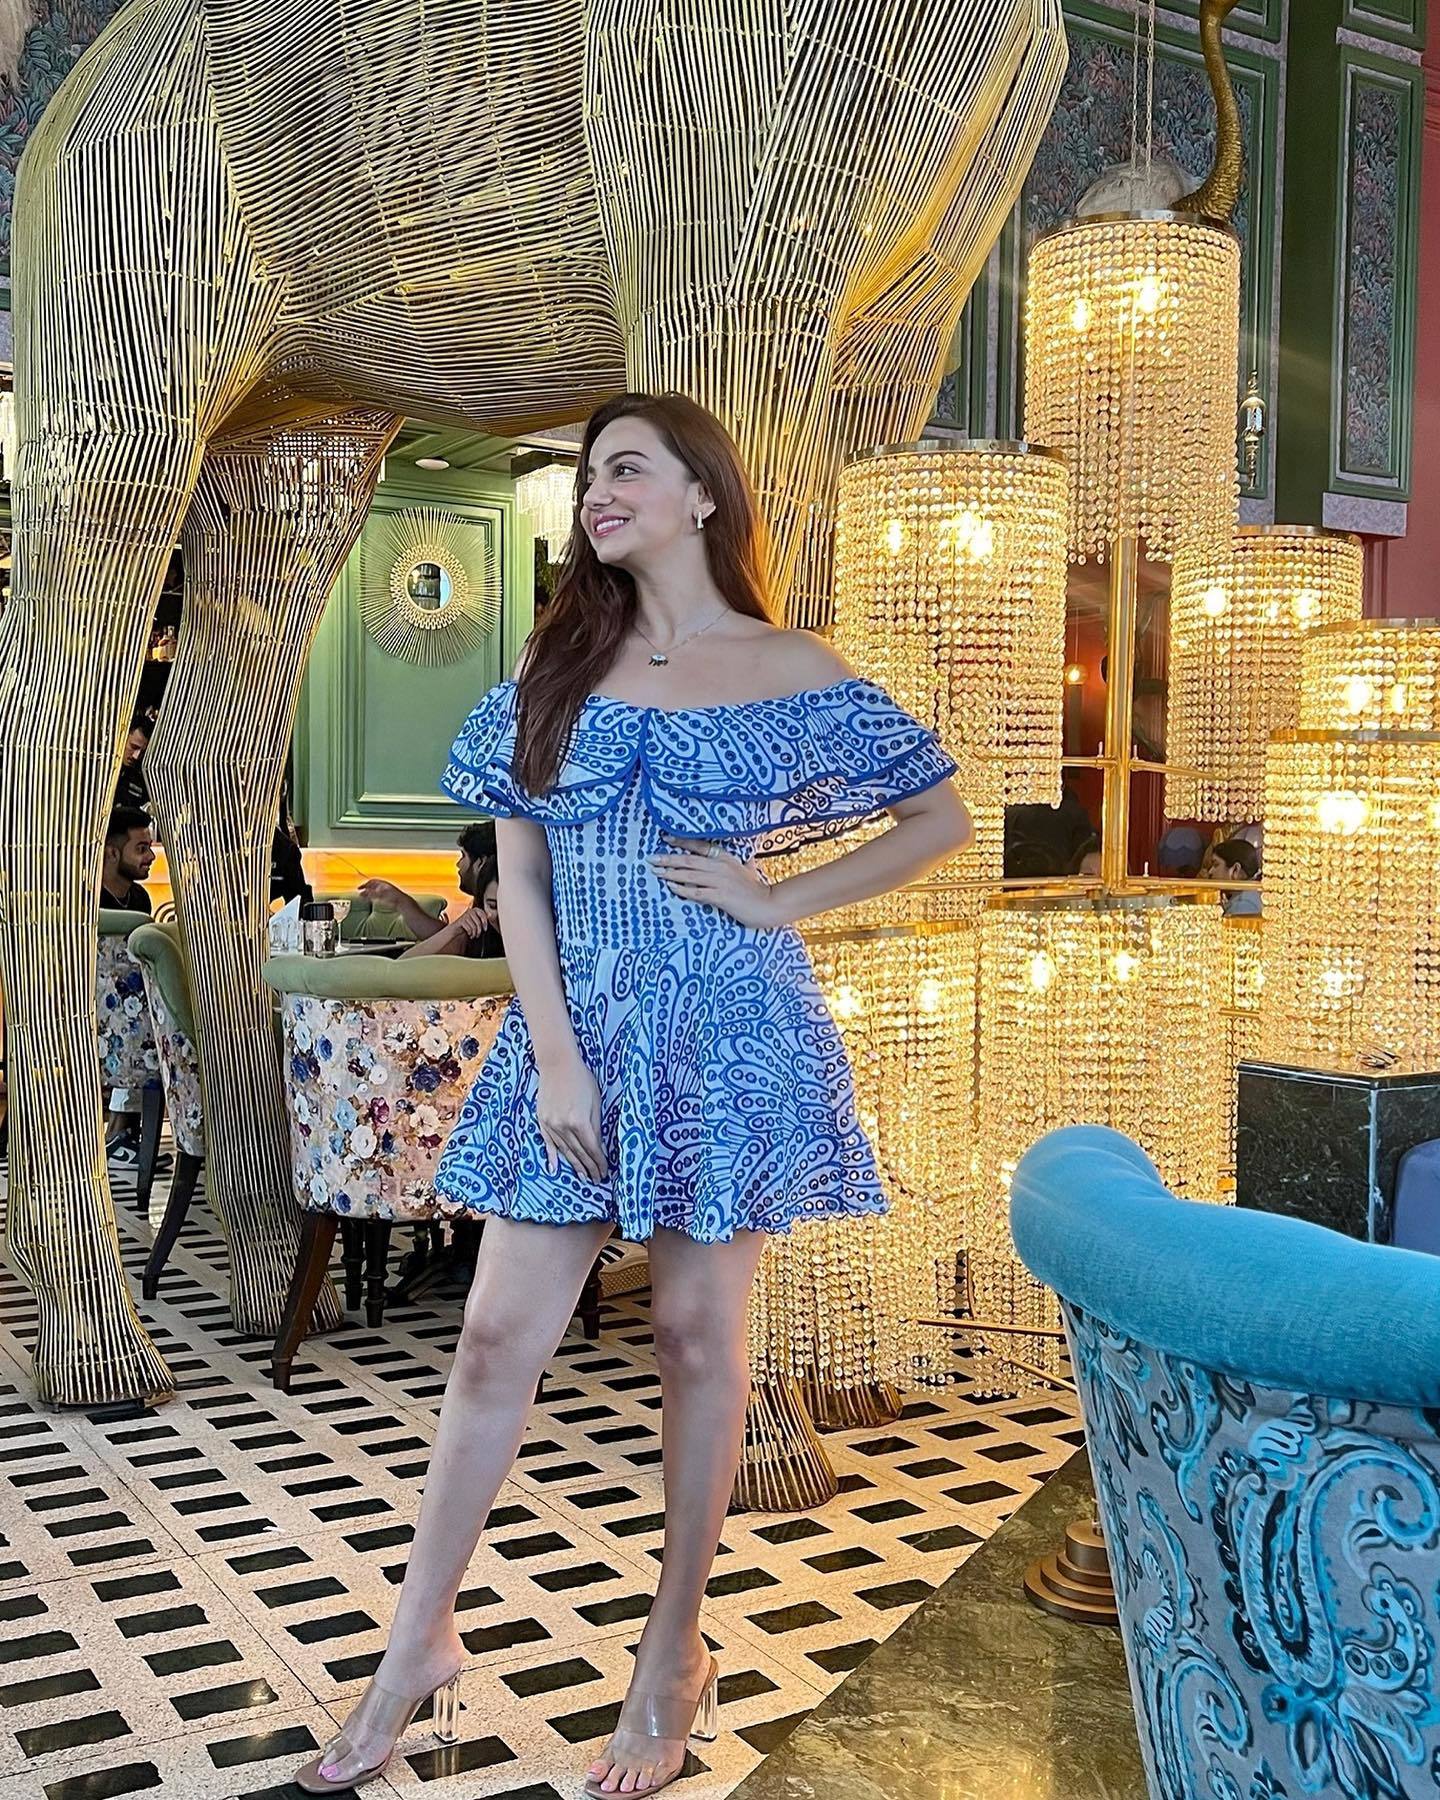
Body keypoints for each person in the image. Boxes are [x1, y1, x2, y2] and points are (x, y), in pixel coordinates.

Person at [294, 392, 972, 1797]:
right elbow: (521, 878)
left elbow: (940, 818)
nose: (597, 492)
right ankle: (417, 1639)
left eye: (625, 468)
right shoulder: (554, 667)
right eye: (589, 475)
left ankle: (673, 1655)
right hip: (579, 1034)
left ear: (703, 492)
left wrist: (780, 898)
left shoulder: (792, 666)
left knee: (693, 1342)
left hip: (730, 1032)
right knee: (494, 1339)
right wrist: (554, 1055)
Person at [359, 822, 499, 956]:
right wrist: (401, 902)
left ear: (481, 862)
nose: (458, 864)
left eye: (463, 856)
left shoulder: (492, 913)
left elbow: (405, 963)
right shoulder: (482, 908)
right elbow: (445, 937)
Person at [100, 808, 156, 913]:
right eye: (141, 849)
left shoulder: (141, 898)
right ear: (112, 853)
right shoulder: (87, 902)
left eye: (149, 847)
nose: (152, 856)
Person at [1211, 836, 1262, 915]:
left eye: (1216, 865)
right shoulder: (1249, 896)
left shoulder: (1243, 905)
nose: (1210, 871)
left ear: (1235, 870)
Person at [114, 713, 152, 812]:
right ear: (122, 737)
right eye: (133, 747)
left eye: (142, 752)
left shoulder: (140, 780)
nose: (136, 756)